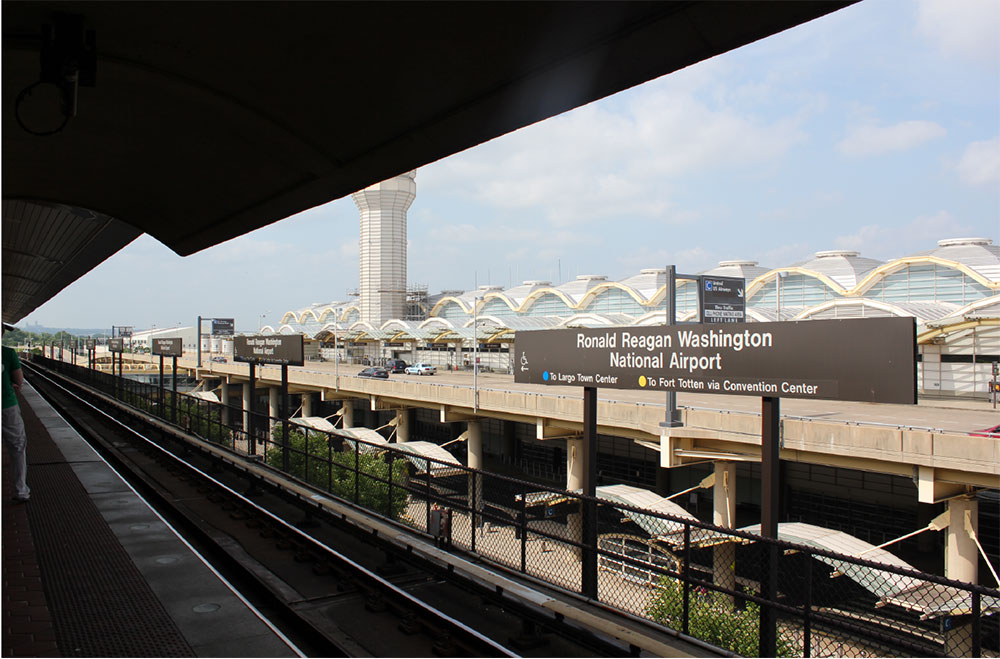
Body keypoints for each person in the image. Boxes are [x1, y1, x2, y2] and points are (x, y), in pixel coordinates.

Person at [2, 344, 30, 502]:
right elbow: (19, 381)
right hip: (6, 404)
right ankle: (20, 490)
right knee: (17, 446)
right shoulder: (7, 353)